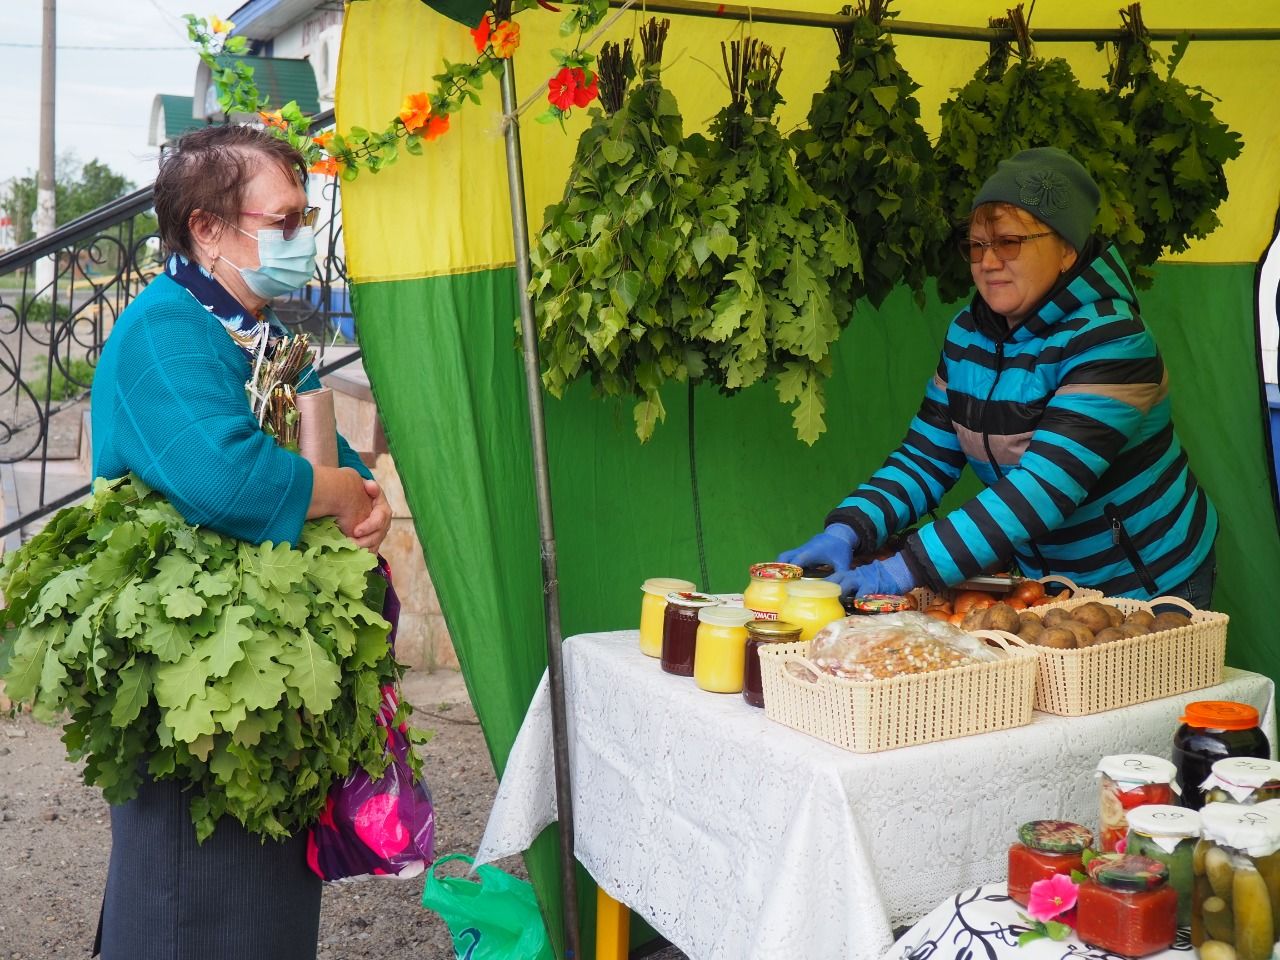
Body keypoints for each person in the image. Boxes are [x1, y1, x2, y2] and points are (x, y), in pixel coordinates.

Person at [89, 124, 391, 959]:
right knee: (191, 901)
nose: (301, 238)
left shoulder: (256, 329)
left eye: (305, 216)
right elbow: (229, 478)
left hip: (262, 672)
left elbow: (315, 448)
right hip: (196, 681)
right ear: (207, 230)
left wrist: (364, 499)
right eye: (284, 221)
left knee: (263, 904)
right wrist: (330, 492)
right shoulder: (165, 333)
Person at [781, 147, 1217, 607]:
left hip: (1149, 578)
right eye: (977, 246)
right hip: (1045, 584)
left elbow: (1043, 489)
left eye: (1009, 242)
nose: (988, 263)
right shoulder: (968, 335)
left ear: (1066, 248)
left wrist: (902, 569)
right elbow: (926, 457)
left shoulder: (1113, 340)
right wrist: (848, 529)